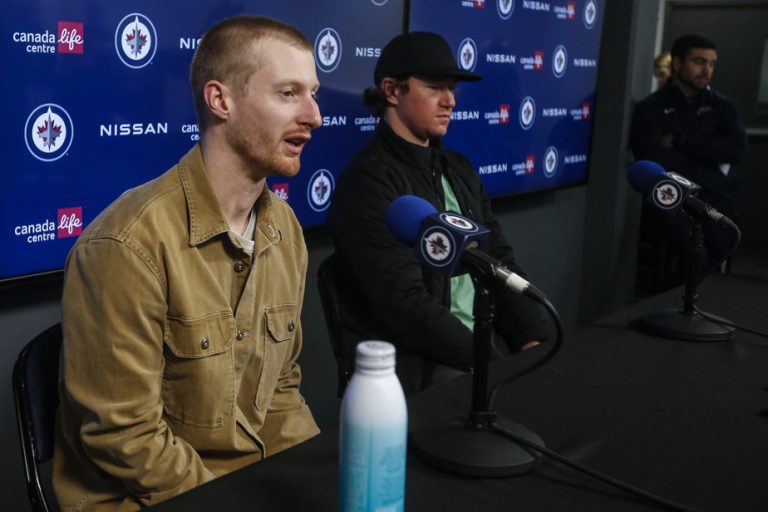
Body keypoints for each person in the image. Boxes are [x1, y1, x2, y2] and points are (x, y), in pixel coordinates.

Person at [54, 16, 322, 510]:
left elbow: (281, 389)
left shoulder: (285, 229)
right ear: (220, 100)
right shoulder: (125, 244)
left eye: (314, 93)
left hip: (248, 483)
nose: (315, 115)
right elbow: (126, 438)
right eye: (289, 94)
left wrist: (318, 477)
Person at [327, 32, 551, 395]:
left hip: (486, 346)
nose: (450, 101)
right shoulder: (367, 183)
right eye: (434, 88)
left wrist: (531, 334)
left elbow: (498, 258)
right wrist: (492, 363)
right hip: (426, 367)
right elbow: (404, 305)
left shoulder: (459, 168)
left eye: (452, 89)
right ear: (392, 90)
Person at [630, 34, 747, 280]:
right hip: (672, 199)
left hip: (716, 198)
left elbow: (736, 150)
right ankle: (678, 310)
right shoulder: (651, 107)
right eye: (699, 61)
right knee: (695, 256)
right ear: (677, 63)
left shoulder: (723, 107)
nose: (707, 70)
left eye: (712, 63)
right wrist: (707, 159)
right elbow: (651, 157)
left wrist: (680, 141)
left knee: (720, 251)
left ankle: (699, 311)